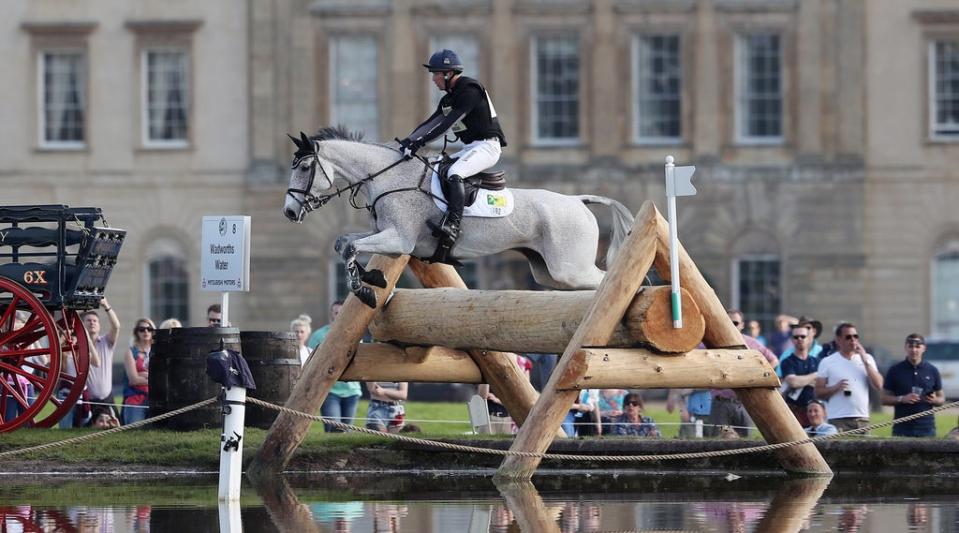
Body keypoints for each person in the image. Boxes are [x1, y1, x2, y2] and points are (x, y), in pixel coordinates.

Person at [397, 49, 508, 264]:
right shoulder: (447, 100)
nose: (433, 79)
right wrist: (408, 141)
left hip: (487, 147)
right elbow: (430, 122)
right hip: (470, 147)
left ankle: (453, 225)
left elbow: (446, 124)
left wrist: (420, 143)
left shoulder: (470, 90)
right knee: (436, 167)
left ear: (448, 74)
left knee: (456, 172)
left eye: (436, 74)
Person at [706, 309, 778, 437]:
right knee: (717, 443)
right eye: (728, 322)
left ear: (742, 325)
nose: (732, 326)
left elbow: (773, 360)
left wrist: (757, 378)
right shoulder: (712, 342)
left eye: (735, 323)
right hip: (720, 402)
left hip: (744, 402)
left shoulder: (750, 343)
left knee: (746, 444)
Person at [814, 323, 884, 433]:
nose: (853, 340)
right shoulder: (827, 362)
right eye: (848, 337)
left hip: (862, 419)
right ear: (838, 340)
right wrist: (836, 387)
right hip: (838, 419)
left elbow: (878, 385)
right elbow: (818, 392)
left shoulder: (867, 359)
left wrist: (865, 360)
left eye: (855, 336)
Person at [311, 301, 363, 432]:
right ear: (331, 315)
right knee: (333, 429)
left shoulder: (356, 334)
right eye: (336, 312)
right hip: (329, 390)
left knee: (346, 432)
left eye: (342, 312)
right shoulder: (318, 336)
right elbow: (310, 361)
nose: (339, 315)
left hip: (352, 390)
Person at [881, 333, 945, 437]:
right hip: (901, 429)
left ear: (924, 348)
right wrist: (902, 399)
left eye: (917, 346)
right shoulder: (895, 370)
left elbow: (942, 399)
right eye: (910, 346)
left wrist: (935, 400)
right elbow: (883, 399)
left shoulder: (932, 370)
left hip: (927, 429)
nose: (914, 350)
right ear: (905, 348)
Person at [80, 298, 120, 422]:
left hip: (107, 399)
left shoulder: (107, 342)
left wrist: (106, 306)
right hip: (87, 400)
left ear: (99, 325)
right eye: (88, 321)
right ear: (82, 324)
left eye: (95, 321)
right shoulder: (77, 345)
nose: (92, 323)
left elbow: (116, 326)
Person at [780, 323, 820, 426]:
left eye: (803, 336)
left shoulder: (817, 362)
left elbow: (821, 384)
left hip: (815, 412)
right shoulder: (787, 362)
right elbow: (793, 382)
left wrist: (801, 381)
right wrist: (815, 375)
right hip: (795, 412)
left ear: (809, 339)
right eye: (796, 337)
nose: (799, 339)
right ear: (792, 340)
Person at [121, 318, 155, 425]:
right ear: (136, 332)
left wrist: (144, 375)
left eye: (149, 329)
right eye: (142, 329)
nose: (146, 332)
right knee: (134, 432)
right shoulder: (131, 352)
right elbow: (133, 380)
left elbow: (163, 379)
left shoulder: (158, 351)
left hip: (155, 399)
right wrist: (153, 378)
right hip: (135, 400)